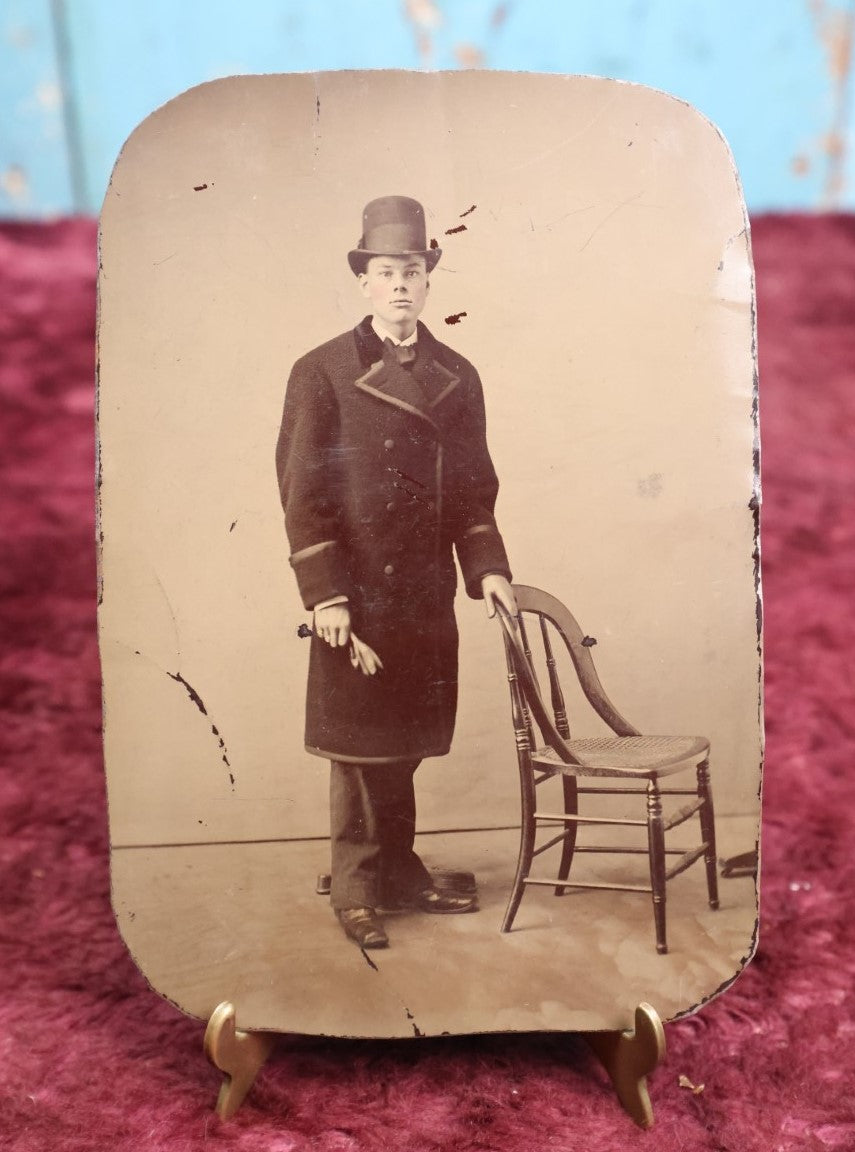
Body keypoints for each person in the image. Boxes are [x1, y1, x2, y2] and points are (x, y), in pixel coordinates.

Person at [276, 195, 516, 950]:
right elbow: (301, 493)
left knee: (403, 740)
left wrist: (489, 571)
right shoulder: (322, 371)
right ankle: (356, 887)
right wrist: (327, 596)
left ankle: (400, 873)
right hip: (357, 593)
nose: (401, 285)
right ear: (365, 282)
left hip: (423, 595)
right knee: (357, 746)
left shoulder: (457, 374)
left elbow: (474, 490)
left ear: (429, 279)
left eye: (413, 270)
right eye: (386, 272)